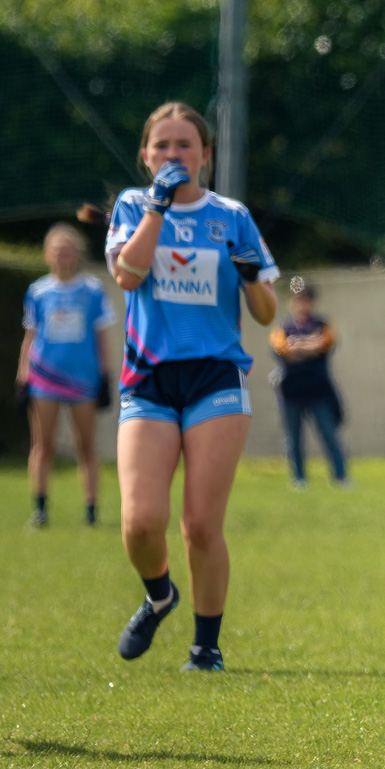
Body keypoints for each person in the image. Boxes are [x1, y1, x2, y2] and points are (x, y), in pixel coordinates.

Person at [103, 100, 279, 671]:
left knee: (200, 524)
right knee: (141, 522)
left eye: (185, 145)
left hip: (216, 377)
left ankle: (206, 648)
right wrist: (156, 209)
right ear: (146, 156)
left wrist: (251, 272)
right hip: (149, 379)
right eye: (162, 146)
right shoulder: (132, 206)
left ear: (206, 154)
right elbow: (127, 275)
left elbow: (265, 312)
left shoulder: (231, 215)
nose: (173, 155)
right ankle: (160, 596)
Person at [16, 223, 116, 527]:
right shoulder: (38, 291)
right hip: (44, 378)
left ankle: (91, 511)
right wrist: (23, 375)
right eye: (57, 251)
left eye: (68, 251)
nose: (62, 257)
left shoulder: (93, 291)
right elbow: (30, 336)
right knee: (42, 445)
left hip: (83, 380)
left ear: (78, 254)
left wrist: (105, 376)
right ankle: (41, 509)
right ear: (48, 255)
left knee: (85, 446)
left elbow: (101, 337)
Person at [269, 278, 349, 490]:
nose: (302, 304)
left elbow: (324, 343)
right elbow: (281, 349)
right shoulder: (283, 328)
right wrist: (307, 346)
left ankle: (340, 477)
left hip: (318, 390)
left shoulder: (322, 324)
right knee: (293, 439)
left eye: (306, 300)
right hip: (290, 392)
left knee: (329, 435)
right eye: (298, 300)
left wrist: (298, 346)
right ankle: (299, 479)